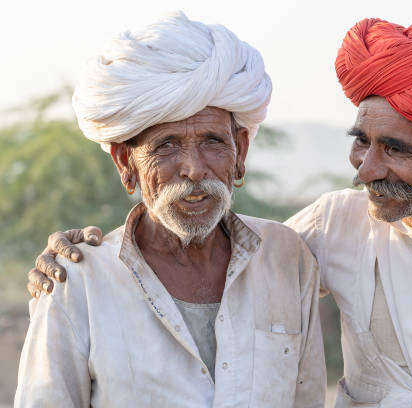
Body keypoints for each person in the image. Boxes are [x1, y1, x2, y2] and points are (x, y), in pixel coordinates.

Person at [28, 18, 412, 407]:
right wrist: (68, 257)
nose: (366, 170)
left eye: (397, 150)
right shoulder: (330, 226)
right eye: (362, 142)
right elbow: (219, 242)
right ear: (125, 164)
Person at [15, 12, 325, 408]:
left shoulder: (287, 258)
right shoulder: (77, 282)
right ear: (125, 164)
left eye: (213, 141)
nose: (194, 169)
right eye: (166, 146)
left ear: (240, 151)